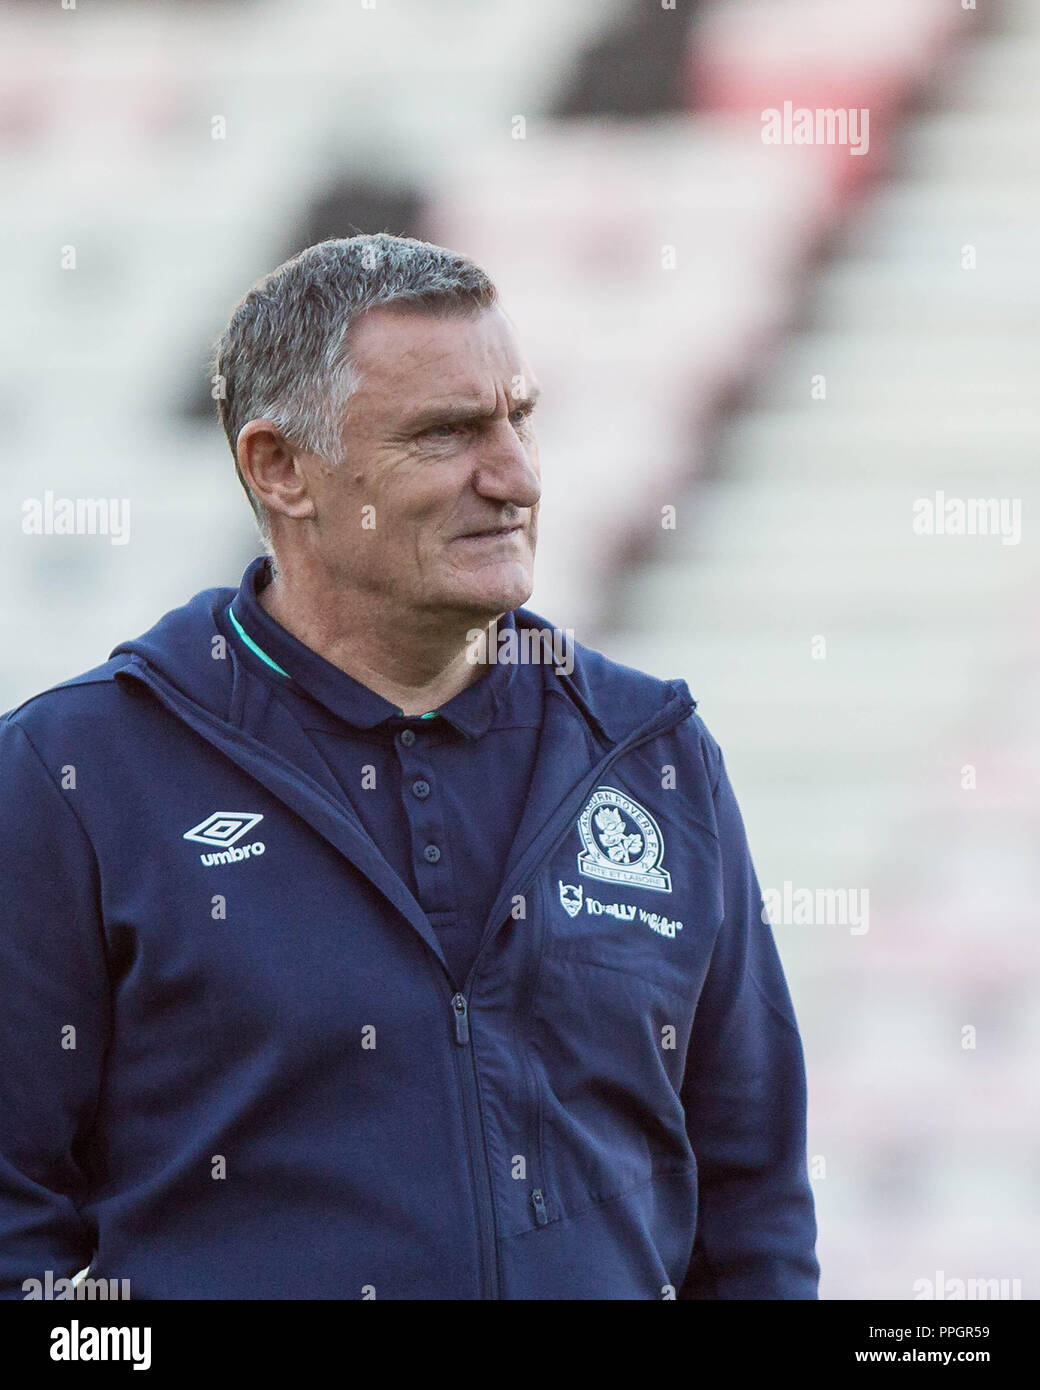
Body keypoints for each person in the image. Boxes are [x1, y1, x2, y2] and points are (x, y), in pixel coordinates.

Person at [0, 234, 818, 1299]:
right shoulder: (75, 773)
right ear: (279, 468)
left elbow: (752, 1206)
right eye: (446, 434)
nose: (515, 475)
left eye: (519, 418)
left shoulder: (650, 754)